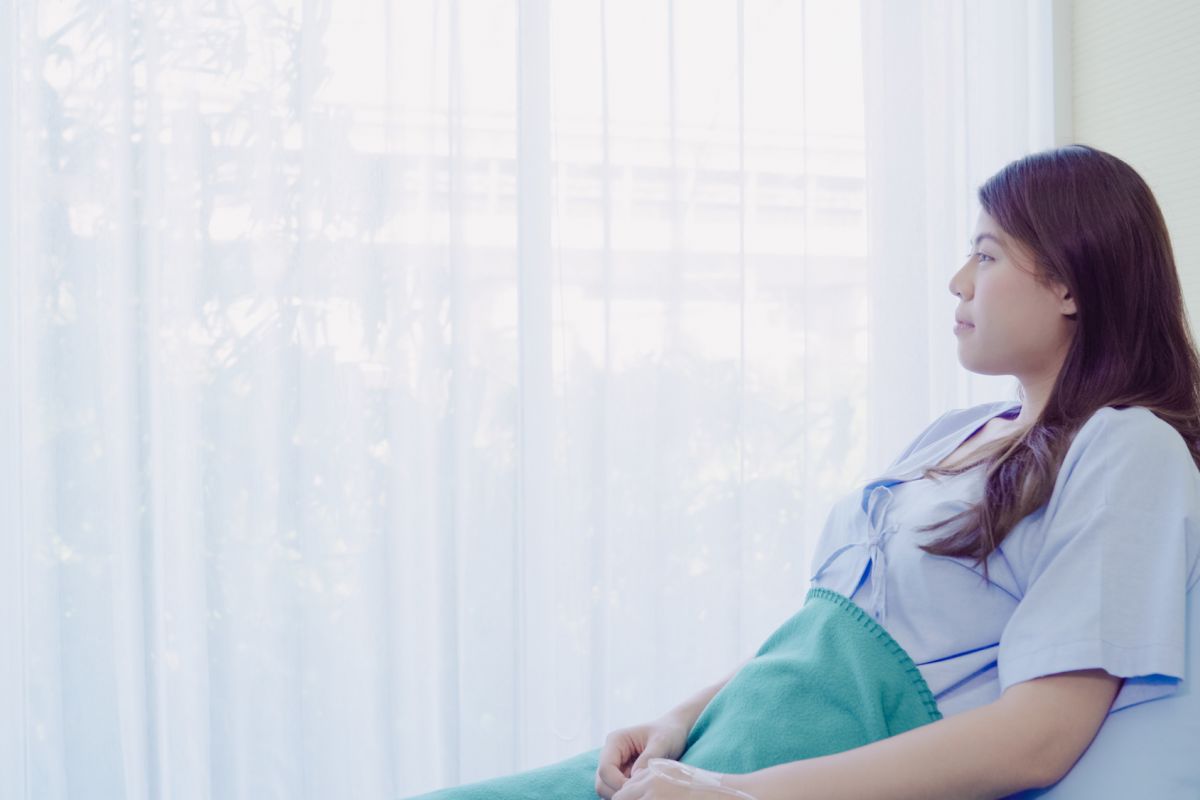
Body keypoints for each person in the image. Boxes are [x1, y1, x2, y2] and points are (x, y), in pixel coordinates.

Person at [409, 145, 1200, 800]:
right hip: (721, 747)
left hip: (790, 772)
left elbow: (1042, 737)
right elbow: (824, 634)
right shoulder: (953, 435)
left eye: (986, 254)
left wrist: (742, 794)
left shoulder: (1125, 448)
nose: (958, 281)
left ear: (1068, 283)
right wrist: (681, 718)